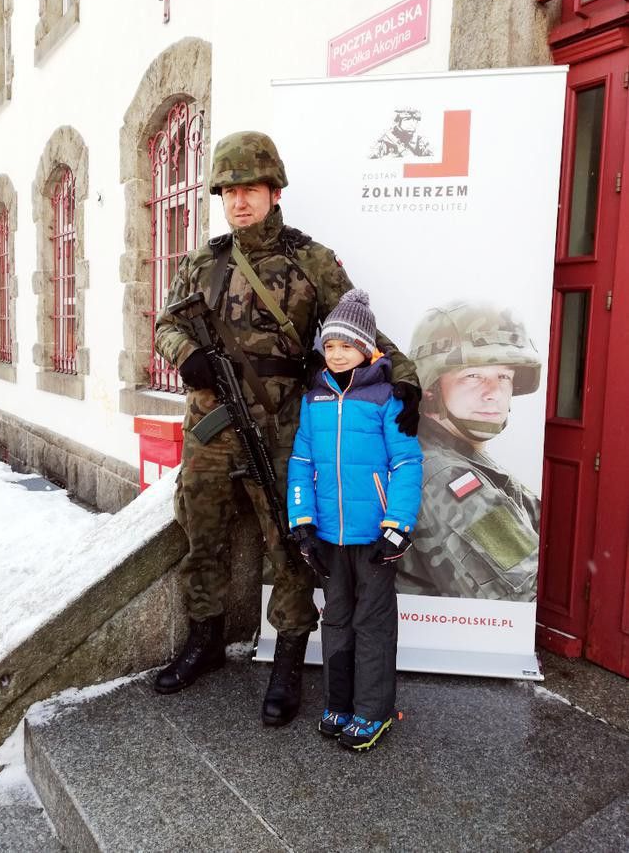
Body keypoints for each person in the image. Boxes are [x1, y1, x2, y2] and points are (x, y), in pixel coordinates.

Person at [152, 131, 421, 728]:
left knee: (290, 545)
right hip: (209, 430)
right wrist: (185, 356)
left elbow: (359, 332)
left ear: (274, 192)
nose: (239, 201)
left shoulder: (311, 260)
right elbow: (166, 324)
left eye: (250, 189)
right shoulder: (203, 261)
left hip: (281, 429)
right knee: (201, 534)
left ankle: (288, 662)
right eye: (229, 192)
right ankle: (204, 641)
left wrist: (403, 378)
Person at [288, 289, 423, 751]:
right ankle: (339, 704)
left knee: (373, 624)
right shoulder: (315, 399)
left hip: (374, 538)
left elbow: (407, 463)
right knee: (337, 620)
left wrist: (398, 525)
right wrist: (303, 523)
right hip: (330, 535)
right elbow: (302, 462)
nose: (337, 353)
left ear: (367, 348)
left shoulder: (387, 398)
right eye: (330, 345)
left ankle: (372, 711)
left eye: (347, 345)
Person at [396, 301, 541, 601]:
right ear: (431, 386)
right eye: (473, 376)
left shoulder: (453, 452)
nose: (494, 393)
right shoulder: (446, 476)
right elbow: (525, 597)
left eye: (504, 376)